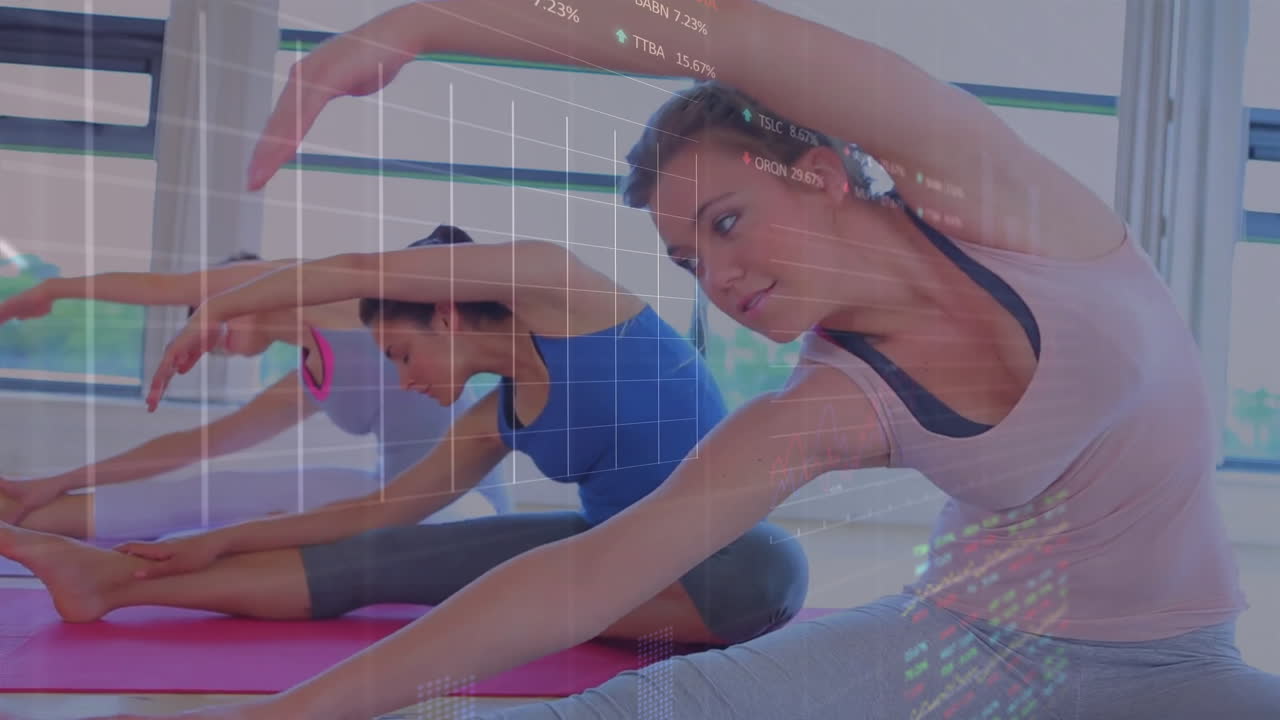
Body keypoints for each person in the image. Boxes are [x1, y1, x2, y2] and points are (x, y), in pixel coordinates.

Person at [20, 0, 1280, 717]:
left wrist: (421, 22)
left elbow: (720, 37)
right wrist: (295, 716)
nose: (715, 277)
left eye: (725, 223)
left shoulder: (1010, 211)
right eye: (685, 261)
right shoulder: (828, 405)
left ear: (825, 170)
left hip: (1175, 657)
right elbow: (578, 579)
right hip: (956, 635)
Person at [0, 226, 807, 649]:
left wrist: (209, 305)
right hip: (606, 558)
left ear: (447, 313)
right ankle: (110, 583)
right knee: (373, 562)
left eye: (403, 354)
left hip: (726, 558)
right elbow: (379, 510)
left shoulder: (568, 292)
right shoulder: (495, 417)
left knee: (761, 569)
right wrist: (219, 543)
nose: (404, 376)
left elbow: (352, 268)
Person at [0, 246, 512, 539]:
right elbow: (193, 445)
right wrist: (58, 479)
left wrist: (52, 290)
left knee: (248, 534)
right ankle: (16, 516)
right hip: (390, 497)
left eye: (207, 313)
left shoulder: (337, 299)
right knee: (200, 497)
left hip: (464, 507)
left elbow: (169, 287)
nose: (211, 330)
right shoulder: (310, 383)